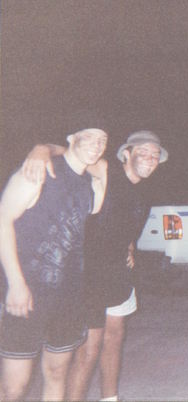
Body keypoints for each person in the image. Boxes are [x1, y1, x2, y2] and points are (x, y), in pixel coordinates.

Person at [23, 130, 168, 401]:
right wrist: (42, 148)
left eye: (155, 155)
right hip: (89, 275)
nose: (150, 159)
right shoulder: (106, 170)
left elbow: (126, 223)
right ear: (127, 154)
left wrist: (129, 246)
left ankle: (109, 398)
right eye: (144, 153)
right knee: (89, 351)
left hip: (119, 275)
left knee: (114, 341)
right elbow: (72, 152)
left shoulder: (145, 192)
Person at [0, 128, 108, 401]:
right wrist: (16, 284)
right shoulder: (38, 172)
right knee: (13, 387)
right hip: (28, 294)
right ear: (71, 137)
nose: (97, 145)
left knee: (57, 374)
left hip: (69, 297)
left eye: (103, 140)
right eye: (90, 136)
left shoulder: (90, 184)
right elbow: (2, 221)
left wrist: (46, 147)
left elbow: (100, 167)